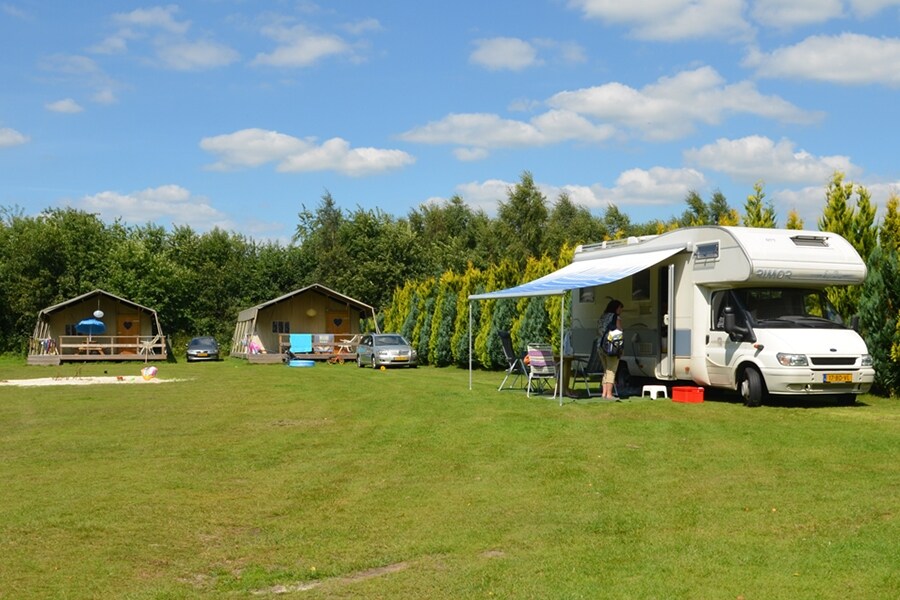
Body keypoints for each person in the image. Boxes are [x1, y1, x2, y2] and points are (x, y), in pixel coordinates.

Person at [598, 299, 624, 399]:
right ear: (616, 308)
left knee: (606, 370)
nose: (621, 310)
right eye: (620, 308)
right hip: (611, 346)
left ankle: (604, 393)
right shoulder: (616, 317)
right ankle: (609, 394)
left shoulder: (603, 316)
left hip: (600, 346)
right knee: (611, 370)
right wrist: (621, 348)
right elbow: (619, 331)